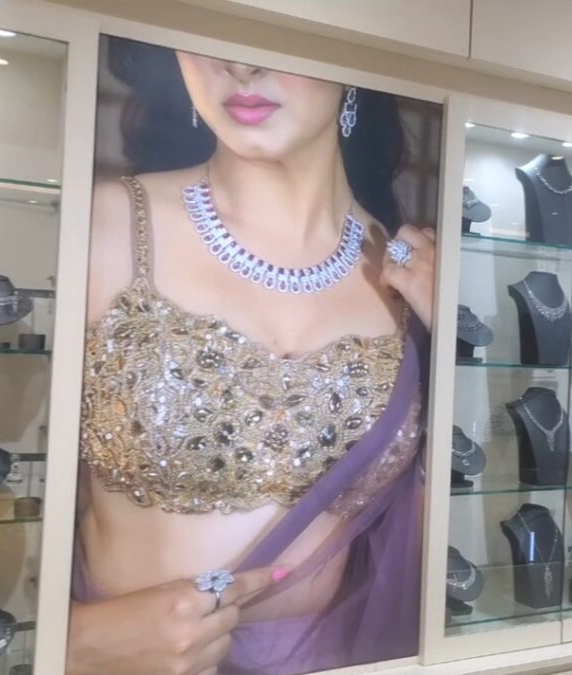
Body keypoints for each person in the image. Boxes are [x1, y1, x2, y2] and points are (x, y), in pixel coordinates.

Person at [67, 48, 436, 675]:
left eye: (283, 43)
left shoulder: (411, 273)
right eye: (206, 34)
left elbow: (436, 526)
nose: (240, 68)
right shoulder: (99, 226)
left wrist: (460, 338)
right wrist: (73, 640)